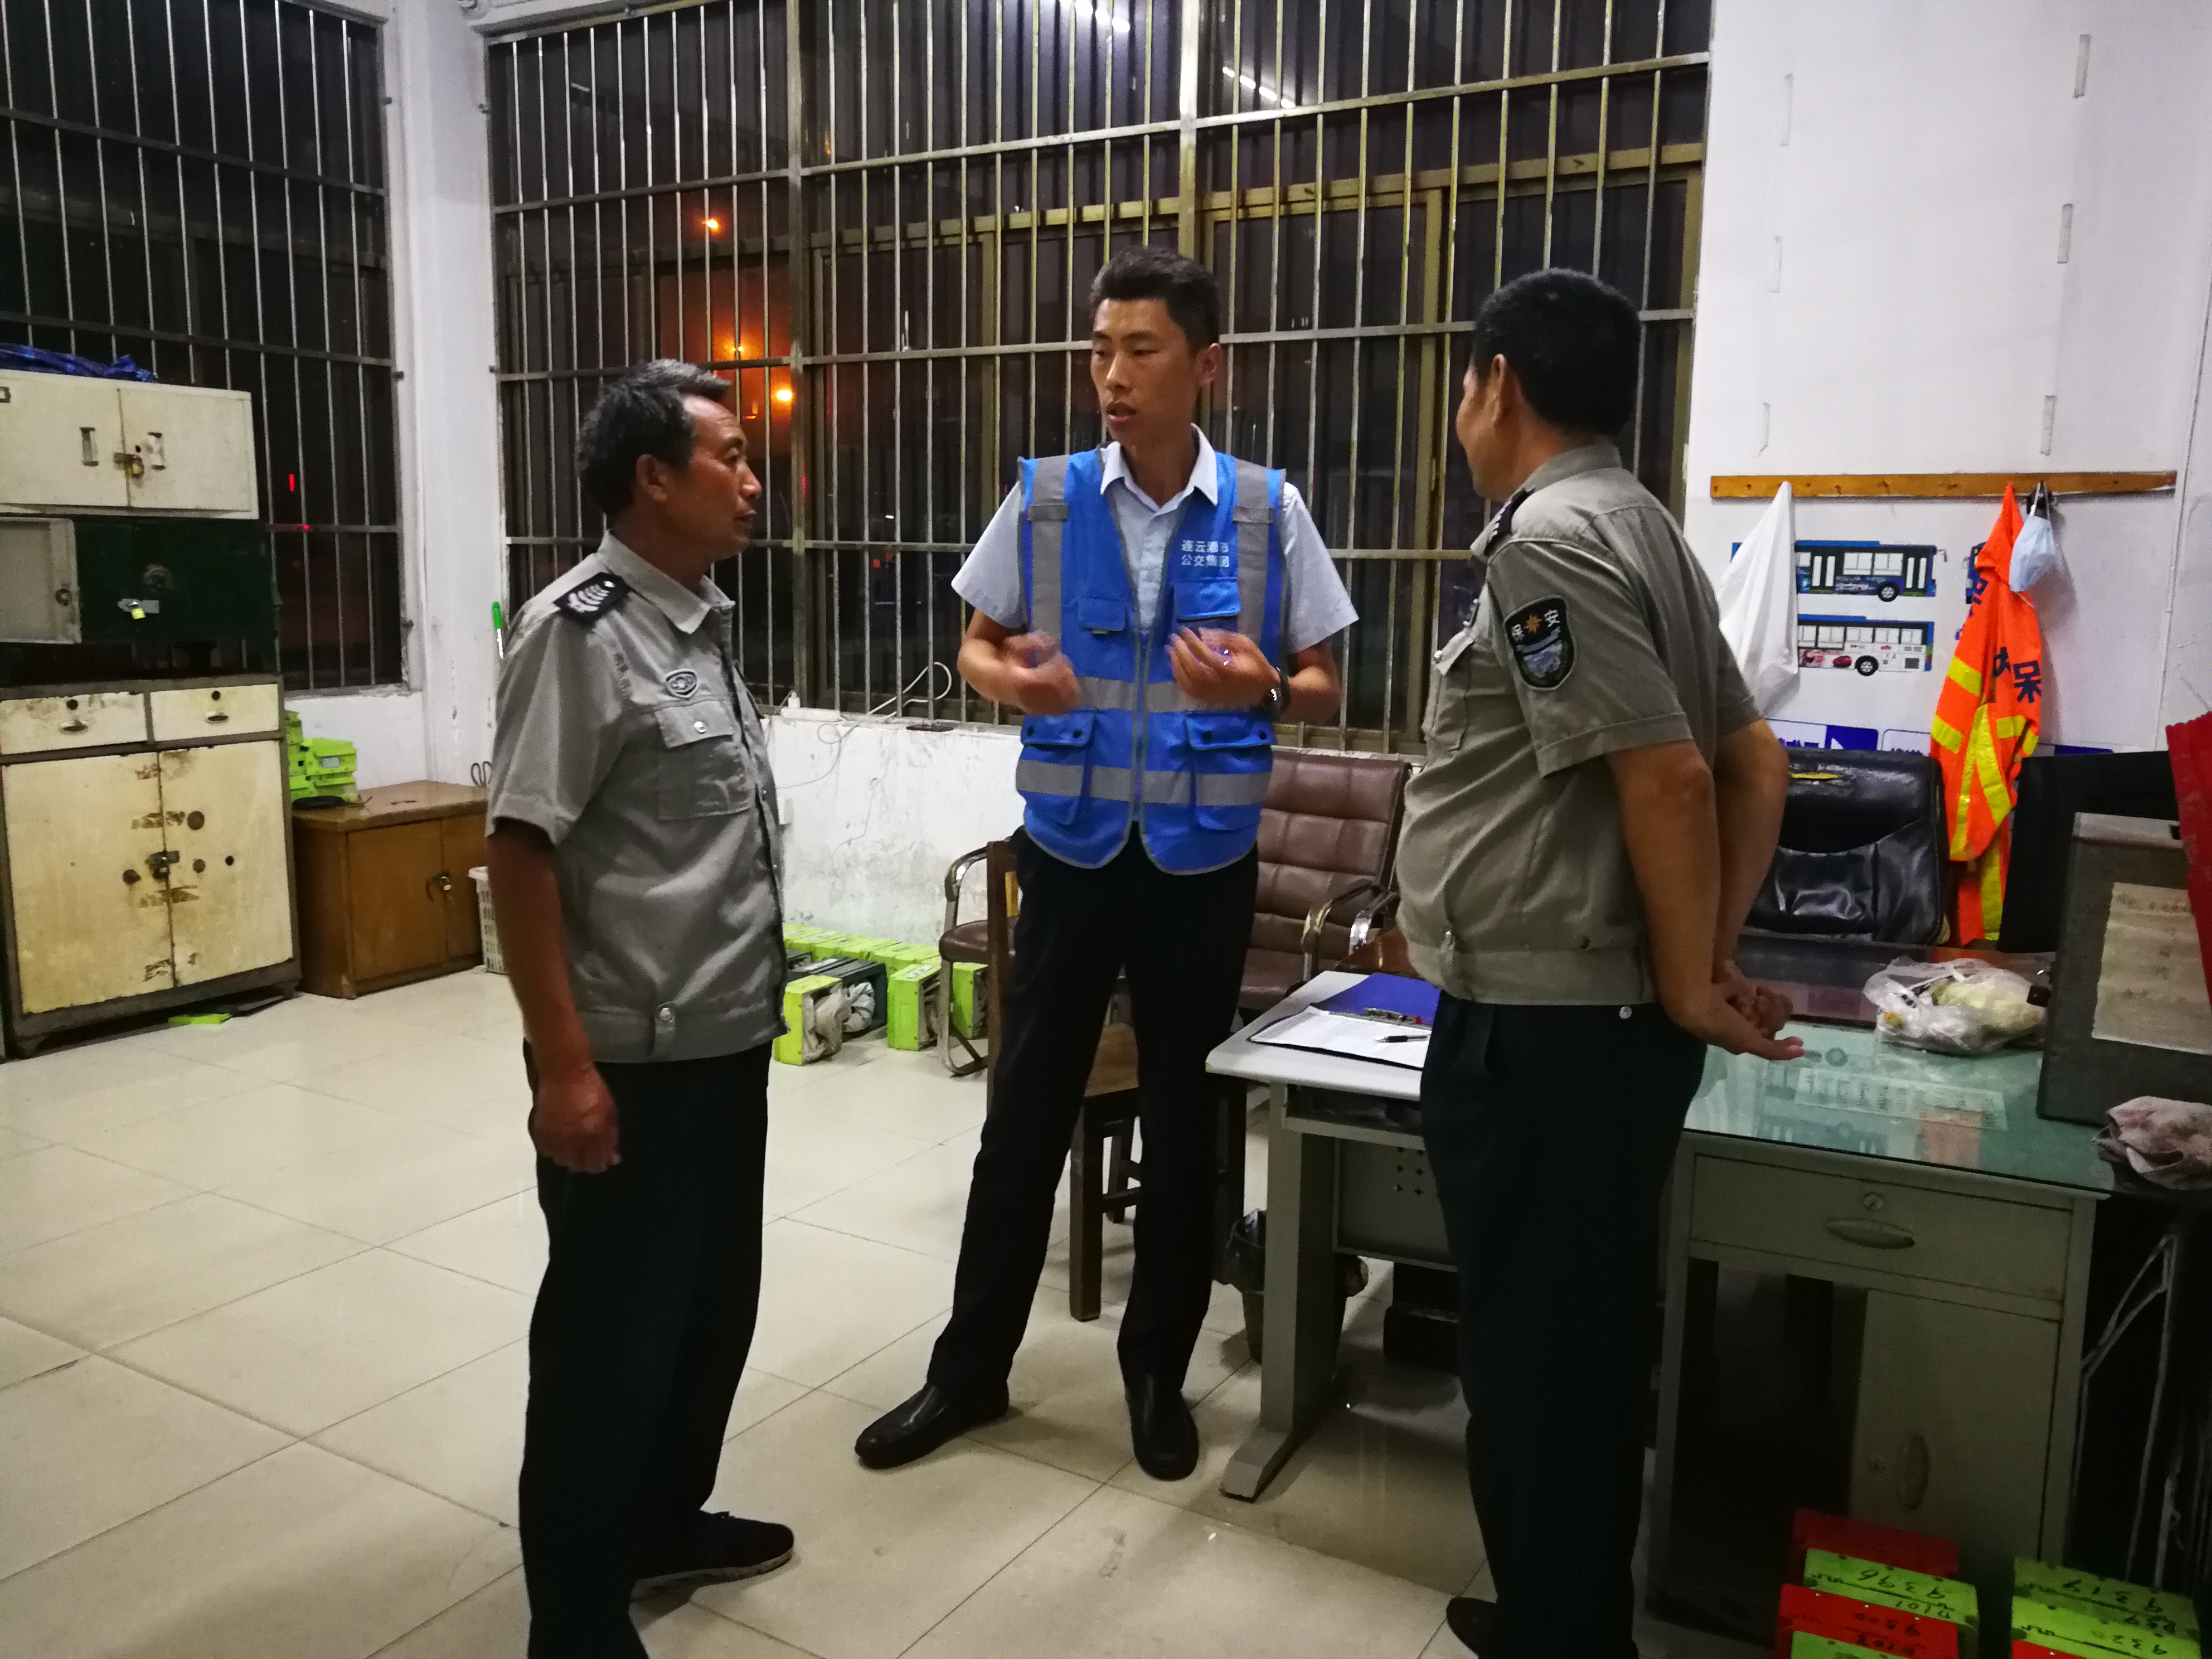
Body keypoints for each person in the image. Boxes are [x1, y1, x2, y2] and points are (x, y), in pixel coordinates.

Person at [852, 245, 1357, 1481]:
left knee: (1187, 1132)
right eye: (1099, 350)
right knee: (1022, 1117)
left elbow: (1324, 682)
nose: (1112, 376)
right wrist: (1008, 679)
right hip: (1072, 855)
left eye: (1140, 350)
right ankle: (968, 1372)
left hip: (1199, 865)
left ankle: (1155, 1376)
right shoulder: (1047, 500)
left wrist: (1262, 688)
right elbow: (975, 646)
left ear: (1206, 366)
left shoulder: (1265, 510)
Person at [1394, 270, 1802, 1659]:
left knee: (1535, 1363)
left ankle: (1563, 1634)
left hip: (1549, 1029)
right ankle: (1557, 1615)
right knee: (1576, 1346)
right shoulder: (1648, 531)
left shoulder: (1549, 543)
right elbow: (1757, 762)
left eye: (1463, 383)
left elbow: (1675, 777)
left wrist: (1689, 981)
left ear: (1496, 382)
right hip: (1600, 1022)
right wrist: (1703, 956)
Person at [486, 360, 793, 1659]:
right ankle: (573, 1618)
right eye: (730, 455)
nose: (753, 480)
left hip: (726, 1041)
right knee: (608, 1345)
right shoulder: (578, 633)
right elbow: (519, 853)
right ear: (653, 479)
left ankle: (661, 1520)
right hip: (631, 1060)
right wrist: (565, 1068)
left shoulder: (697, 623)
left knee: (710, 1314)